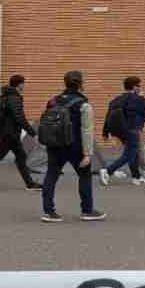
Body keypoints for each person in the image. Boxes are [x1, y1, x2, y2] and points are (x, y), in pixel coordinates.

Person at [40, 70, 105, 222]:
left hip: (55, 145)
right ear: (81, 84)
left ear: (65, 82)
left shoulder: (53, 101)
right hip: (75, 147)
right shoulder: (84, 104)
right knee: (84, 175)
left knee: (51, 175)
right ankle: (87, 210)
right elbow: (87, 130)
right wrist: (88, 153)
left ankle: (49, 212)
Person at [100, 76, 145, 187]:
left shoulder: (116, 99)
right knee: (130, 154)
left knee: (131, 153)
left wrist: (105, 132)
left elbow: (108, 115)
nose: (140, 88)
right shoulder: (137, 98)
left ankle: (136, 177)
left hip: (120, 131)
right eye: (139, 86)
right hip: (132, 129)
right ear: (134, 87)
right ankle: (108, 171)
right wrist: (143, 98)